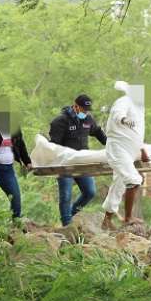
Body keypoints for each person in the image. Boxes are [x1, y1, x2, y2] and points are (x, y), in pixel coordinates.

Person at [49, 94, 107, 226]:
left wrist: (110, 144)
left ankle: (71, 214)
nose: (85, 112)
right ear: (75, 106)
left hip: (82, 162)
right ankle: (66, 225)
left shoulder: (88, 119)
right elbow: (53, 145)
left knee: (90, 192)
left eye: (87, 110)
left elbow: (97, 132)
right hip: (65, 164)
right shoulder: (60, 121)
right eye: (83, 109)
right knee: (66, 195)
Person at [102, 81, 149, 230]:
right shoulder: (124, 101)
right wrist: (123, 119)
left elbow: (138, 132)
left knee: (119, 184)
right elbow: (117, 114)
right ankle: (128, 218)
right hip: (118, 148)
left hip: (130, 151)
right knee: (134, 179)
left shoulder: (139, 109)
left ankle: (107, 220)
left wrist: (143, 151)